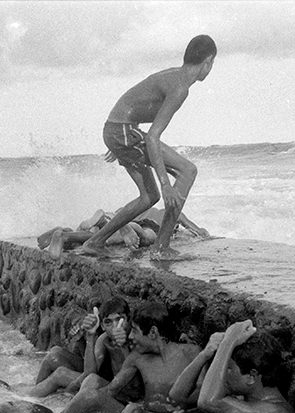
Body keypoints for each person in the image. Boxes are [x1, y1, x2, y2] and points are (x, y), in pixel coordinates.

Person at [95, 319, 295, 413]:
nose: (221, 375)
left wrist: (228, 342)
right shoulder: (248, 392)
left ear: (251, 376)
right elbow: (176, 395)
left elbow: (209, 402)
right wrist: (206, 353)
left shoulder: (278, 412)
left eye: (228, 369)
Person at [81, 35, 216, 259]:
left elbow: (133, 104)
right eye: (212, 65)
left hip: (119, 130)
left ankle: (95, 242)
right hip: (122, 131)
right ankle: (161, 247)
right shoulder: (180, 86)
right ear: (208, 61)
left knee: (148, 198)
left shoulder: (175, 76)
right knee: (188, 170)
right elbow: (153, 136)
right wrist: (166, 184)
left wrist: (117, 139)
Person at [58, 301, 201, 413]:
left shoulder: (192, 353)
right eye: (109, 322)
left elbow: (203, 396)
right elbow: (111, 389)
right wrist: (79, 405)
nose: (131, 335)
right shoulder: (136, 356)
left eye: (134, 330)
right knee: (89, 393)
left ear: (152, 333)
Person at [30, 297, 133, 397]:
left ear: (129, 319)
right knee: (54, 354)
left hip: (118, 390)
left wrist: (72, 387)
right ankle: (32, 398)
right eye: (108, 322)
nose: (115, 326)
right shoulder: (104, 339)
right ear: (102, 326)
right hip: (101, 380)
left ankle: (31, 398)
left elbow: (130, 382)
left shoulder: (135, 337)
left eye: (120, 319)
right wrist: (90, 336)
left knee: (61, 374)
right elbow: (89, 371)